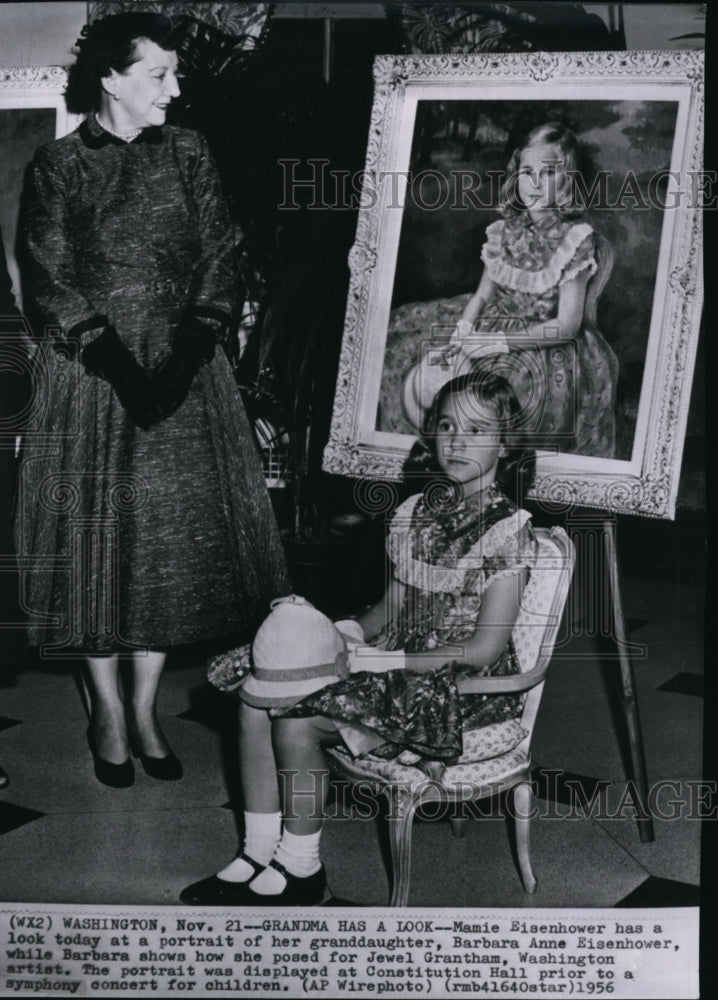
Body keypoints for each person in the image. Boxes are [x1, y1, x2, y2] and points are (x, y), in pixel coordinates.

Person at [17, 13, 290, 788]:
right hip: (94, 379)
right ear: (110, 77)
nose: (176, 87)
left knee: (164, 549)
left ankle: (144, 709)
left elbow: (221, 252)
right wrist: (121, 368)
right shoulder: (59, 166)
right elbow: (49, 277)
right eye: (159, 74)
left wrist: (185, 356)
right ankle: (105, 711)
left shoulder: (191, 153)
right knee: (97, 546)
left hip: (184, 374)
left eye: (174, 73)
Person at [181, 366, 537, 906]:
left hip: (463, 693)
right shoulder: (417, 514)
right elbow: (389, 608)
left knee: (298, 715)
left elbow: (485, 650)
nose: (457, 442)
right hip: (399, 668)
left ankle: (302, 869)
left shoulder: (508, 530)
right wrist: (344, 634)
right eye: (446, 426)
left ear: (507, 444)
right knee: (260, 693)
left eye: (477, 430)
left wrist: (379, 662)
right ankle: (258, 849)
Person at [403, 121, 618, 459]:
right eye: (526, 171)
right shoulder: (503, 231)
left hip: (541, 342)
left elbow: (566, 326)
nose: (533, 184)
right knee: (414, 359)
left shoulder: (575, 239)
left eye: (547, 174)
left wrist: (497, 343)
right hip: (490, 323)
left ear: (566, 182)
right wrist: (462, 332)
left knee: (490, 402)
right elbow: (483, 295)